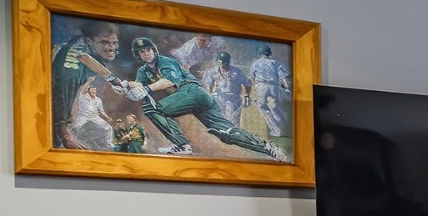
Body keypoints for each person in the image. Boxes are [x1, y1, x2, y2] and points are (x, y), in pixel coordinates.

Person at [118, 36, 289, 161]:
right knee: (226, 133)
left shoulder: (165, 62)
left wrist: (147, 88)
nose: (146, 54)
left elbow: (169, 81)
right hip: (200, 99)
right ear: (138, 55)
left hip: (193, 92)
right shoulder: (143, 71)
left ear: (153, 50)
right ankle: (267, 147)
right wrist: (124, 85)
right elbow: (137, 84)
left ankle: (182, 145)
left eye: (148, 50)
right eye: (142, 52)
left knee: (153, 108)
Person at [51, 20, 122, 149]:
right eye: (105, 42)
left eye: (114, 42)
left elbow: (92, 62)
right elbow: (61, 97)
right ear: (89, 41)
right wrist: (66, 137)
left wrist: (113, 80)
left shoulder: (85, 44)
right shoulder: (71, 72)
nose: (112, 48)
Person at [201, 51, 251, 122]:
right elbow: (208, 83)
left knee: (232, 122)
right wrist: (210, 93)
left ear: (228, 61)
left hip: (233, 100)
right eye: (220, 59)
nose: (221, 61)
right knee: (219, 121)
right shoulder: (213, 71)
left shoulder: (236, 72)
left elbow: (247, 84)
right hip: (219, 99)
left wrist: (247, 96)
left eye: (224, 60)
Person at [71, 81, 115, 146]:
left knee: (108, 128)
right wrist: (89, 81)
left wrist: (107, 117)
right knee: (75, 127)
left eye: (94, 90)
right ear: (88, 91)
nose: (93, 92)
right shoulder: (83, 96)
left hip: (94, 117)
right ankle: (72, 141)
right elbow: (83, 89)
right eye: (92, 90)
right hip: (83, 116)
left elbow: (101, 111)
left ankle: (109, 143)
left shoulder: (98, 100)